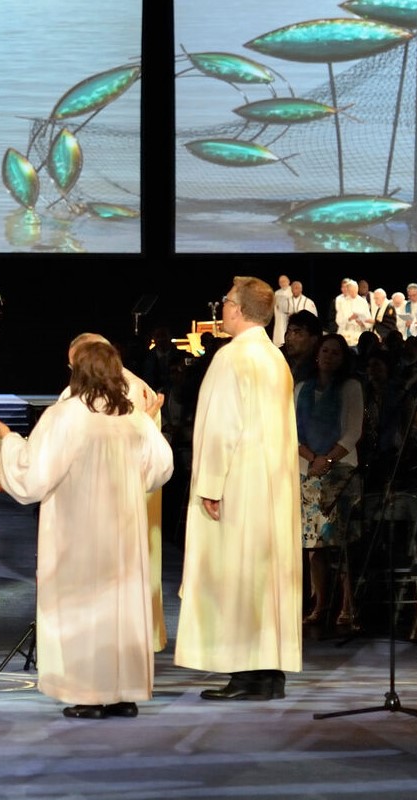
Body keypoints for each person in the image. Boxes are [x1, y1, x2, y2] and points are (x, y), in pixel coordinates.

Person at [0, 341, 172, 719]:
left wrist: (9, 441)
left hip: (78, 533)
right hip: (123, 534)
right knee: (119, 608)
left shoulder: (65, 416)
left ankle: (89, 692)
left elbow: (33, 476)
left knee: (85, 606)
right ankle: (122, 692)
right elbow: (160, 468)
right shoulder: (133, 421)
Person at [174, 276, 302, 702]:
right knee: (263, 576)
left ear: (239, 310)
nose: (223, 307)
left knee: (239, 573)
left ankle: (247, 674)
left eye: (227, 301)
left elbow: (222, 427)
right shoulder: (274, 358)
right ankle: (268, 673)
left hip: (240, 483)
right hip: (272, 485)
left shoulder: (233, 358)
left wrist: (211, 483)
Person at [61, 332, 169, 652]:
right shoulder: (91, 388)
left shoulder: (127, 388)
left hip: (121, 493)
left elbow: (128, 442)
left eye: (76, 364)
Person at [295, 334, 364, 629]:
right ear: (316, 354)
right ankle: (320, 604)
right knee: (313, 545)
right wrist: (313, 459)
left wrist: (327, 460)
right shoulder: (301, 388)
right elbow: (290, 431)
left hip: (341, 472)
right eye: (325, 351)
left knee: (343, 543)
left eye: (336, 353)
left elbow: (352, 432)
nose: (329, 357)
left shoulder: (351, 387)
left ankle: (348, 605)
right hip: (308, 469)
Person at [272, 274, 292, 346]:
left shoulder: (292, 291)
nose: (282, 283)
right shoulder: (277, 293)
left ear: (288, 281)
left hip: (289, 318)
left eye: (284, 281)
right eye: (280, 282)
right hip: (279, 320)